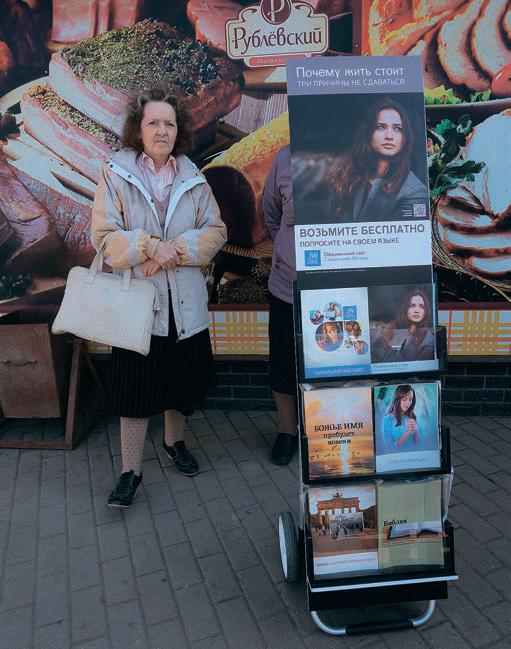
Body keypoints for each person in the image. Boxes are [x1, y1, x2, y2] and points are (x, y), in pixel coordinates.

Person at [91, 88, 227, 507]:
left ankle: (173, 443)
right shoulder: (116, 174)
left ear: (178, 130)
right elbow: (103, 237)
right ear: (138, 129)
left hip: (185, 306)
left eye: (169, 123)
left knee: (180, 385)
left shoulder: (193, 177)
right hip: (139, 308)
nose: (162, 130)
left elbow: (216, 231)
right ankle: (130, 472)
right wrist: (149, 247)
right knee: (134, 394)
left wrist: (176, 251)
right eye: (153, 122)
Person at [329, 98, 428, 223]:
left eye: (397, 129)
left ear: (405, 137)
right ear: (368, 132)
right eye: (381, 127)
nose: (389, 136)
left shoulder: (415, 192)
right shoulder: (346, 177)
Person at [262, 145, 298, 466]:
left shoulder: (357, 154)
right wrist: (288, 251)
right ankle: (288, 430)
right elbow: (271, 214)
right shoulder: (285, 158)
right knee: (284, 363)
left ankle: (327, 428)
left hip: (338, 291)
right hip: (287, 288)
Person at [395, 289, 435, 361]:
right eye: (412, 306)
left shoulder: (428, 340)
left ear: (425, 311)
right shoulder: (398, 332)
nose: (417, 311)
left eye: (421, 306)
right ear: (405, 308)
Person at [381, 384, 420, 451]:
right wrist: (408, 432)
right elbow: (389, 448)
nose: (408, 403)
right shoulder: (387, 420)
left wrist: (416, 430)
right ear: (397, 399)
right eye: (404, 399)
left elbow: (418, 445)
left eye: (410, 400)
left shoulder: (411, 417)